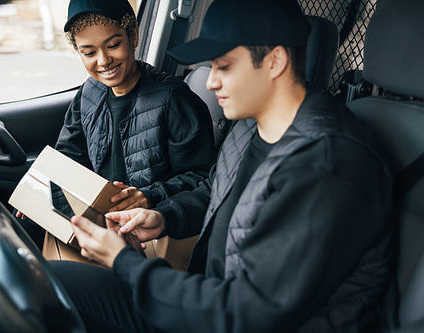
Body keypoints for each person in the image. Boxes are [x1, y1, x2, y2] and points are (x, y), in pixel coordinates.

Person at [50, 0, 395, 332]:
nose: (211, 81)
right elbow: (211, 190)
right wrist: (163, 217)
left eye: (224, 66)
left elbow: (249, 314)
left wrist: (125, 263)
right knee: (46, 281)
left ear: (274, 61)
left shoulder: (328, 163)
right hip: (208, 298)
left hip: (229, 315)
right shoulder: (248, 125)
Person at [17, 0, 216, 248]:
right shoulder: (88, 93)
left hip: (148, 228)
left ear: (133, 36)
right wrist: (43, 193)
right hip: (100, 218)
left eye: (113, 45)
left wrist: (149, 197)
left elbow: (202, 176)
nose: (103, 61)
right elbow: (68, 158)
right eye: (89, 52)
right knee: (20, 234)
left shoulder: (174, 99)